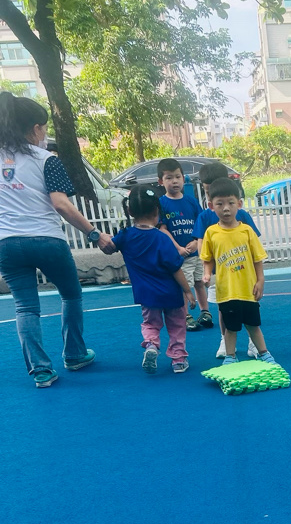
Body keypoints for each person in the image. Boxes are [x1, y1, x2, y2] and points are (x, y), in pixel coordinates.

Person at [0, 92, 113, 387]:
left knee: (25, 306)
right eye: (45, 128)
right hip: (46, 239)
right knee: (71, 294)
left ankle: (41, 370)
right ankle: (74, 354)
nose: (45, 133)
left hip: (7, 243)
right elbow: (61, 205)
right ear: (35, 128)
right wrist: (95, 234)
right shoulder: (46, 159)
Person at [104, 185, 196, 373]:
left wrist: (98, 236)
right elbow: (175, 268)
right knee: (177, 325)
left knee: (150, 324)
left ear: (129, 211)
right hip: (171, 293)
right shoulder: (162, 238)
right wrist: (187, 290)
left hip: (146, 295)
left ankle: (152, 344)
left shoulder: (125, 236)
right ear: (156, 211)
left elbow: (109, 247)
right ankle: (178, 359)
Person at [199, 178, 275, 366]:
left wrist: (260, 281)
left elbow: (257, 259)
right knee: (230, 328)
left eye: (231, 203)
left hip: (248, 290)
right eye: (220, 204)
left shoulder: (247, 231)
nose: (226, 208)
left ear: (239, 204)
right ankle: (230, 356)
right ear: (211, 206)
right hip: (226, 292)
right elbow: (208, 259)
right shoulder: (211, 233)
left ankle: (264, 353)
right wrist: (207, 274)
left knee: (253, 325)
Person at [192, 160, 262, 359]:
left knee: (250, 309)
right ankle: (225, 340)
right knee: (224, 309)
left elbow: (254, 245)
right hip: (221, 275)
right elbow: (201, 245)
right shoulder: (205, 217)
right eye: (207, 192)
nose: (224, 208)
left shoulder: (242, 216)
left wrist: (259, 277)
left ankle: (253, 343)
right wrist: (207, 270)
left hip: (245, 275)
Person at [155, 157, 212, 332]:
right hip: (179, 256)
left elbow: (200, 224)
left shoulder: (191, 201)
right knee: (184, 285)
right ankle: (185, 315)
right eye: (169, 178)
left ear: (183, 178)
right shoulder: (162, 203)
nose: (175, 181)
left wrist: (196, 242)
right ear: (161, 181)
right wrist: (178, 248)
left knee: (199, 282)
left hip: (195, 253)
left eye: (178, 177)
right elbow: (163, 229)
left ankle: (205, 312)